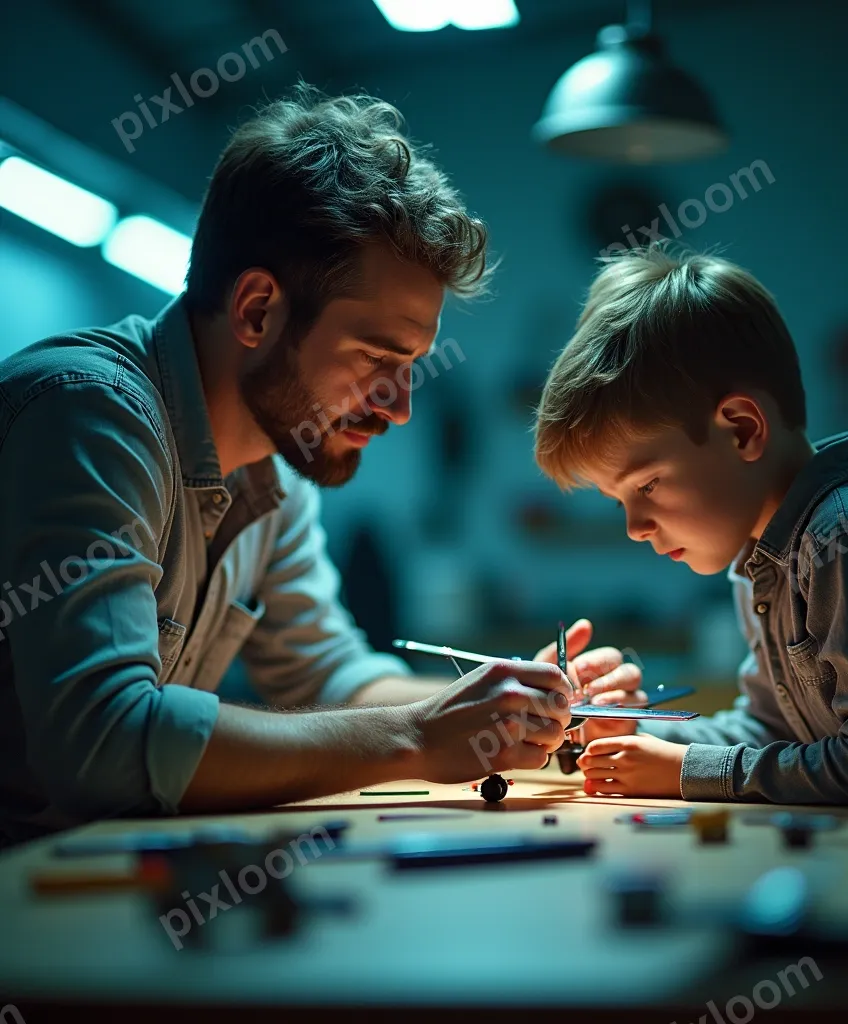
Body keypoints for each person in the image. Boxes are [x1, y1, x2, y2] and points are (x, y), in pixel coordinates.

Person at [0, 85, 642, 847]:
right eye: (378, 358)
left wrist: (508, 704)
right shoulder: (92, 415)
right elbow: (103, 740)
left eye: (412, 366)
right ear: (257, 311)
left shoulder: (274, 471)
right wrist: (413, 736)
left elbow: (329, 678)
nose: (400, 407)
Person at [532, 245, 848, 845]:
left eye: (648, 485)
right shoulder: (763, 560)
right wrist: (634, 734)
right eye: (619, 501)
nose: (634, 527)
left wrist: (685, 771)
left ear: (741, 429)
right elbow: (771, 731)